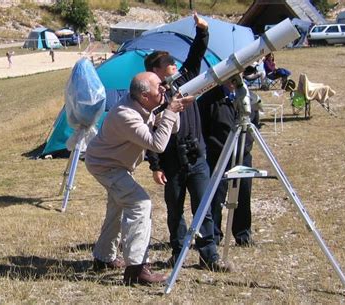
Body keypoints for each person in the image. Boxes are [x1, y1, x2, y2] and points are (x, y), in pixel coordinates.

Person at [85, 72, 194, 286]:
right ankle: (136, 268)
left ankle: (103, 258)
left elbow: (173, 130)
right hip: (105, 166)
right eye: (158, 87)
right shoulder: (126, 114)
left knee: (117, 209)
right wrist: (170, 111)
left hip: (115, 164)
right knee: (140, 203)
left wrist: (174, 110)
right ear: (144, 96)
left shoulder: (144, 105)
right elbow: (157, 145)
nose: (163, 89)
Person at [144, 12, 232, 272]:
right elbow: (149, 134)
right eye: (165, 61)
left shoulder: (186, 81)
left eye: (171, 60)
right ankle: (178, 252)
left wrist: (202, 31)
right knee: (174, 211)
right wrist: (155, 165)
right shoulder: (153, 97)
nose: (172, 63)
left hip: (197, 158)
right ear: (154, 70)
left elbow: (195, 55)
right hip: (171, 163)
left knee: (203, 206)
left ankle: (209, 255)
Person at [197, 80, 258, 247]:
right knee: (215, 196)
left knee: (243, 194)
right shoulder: (209, 100)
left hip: (242, 154)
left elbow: (254, 123)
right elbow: (202, 128)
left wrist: (247, 144)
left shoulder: (248, 96)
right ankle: (213, 234)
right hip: (218, 155)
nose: (233, 82)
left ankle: (243, 234)